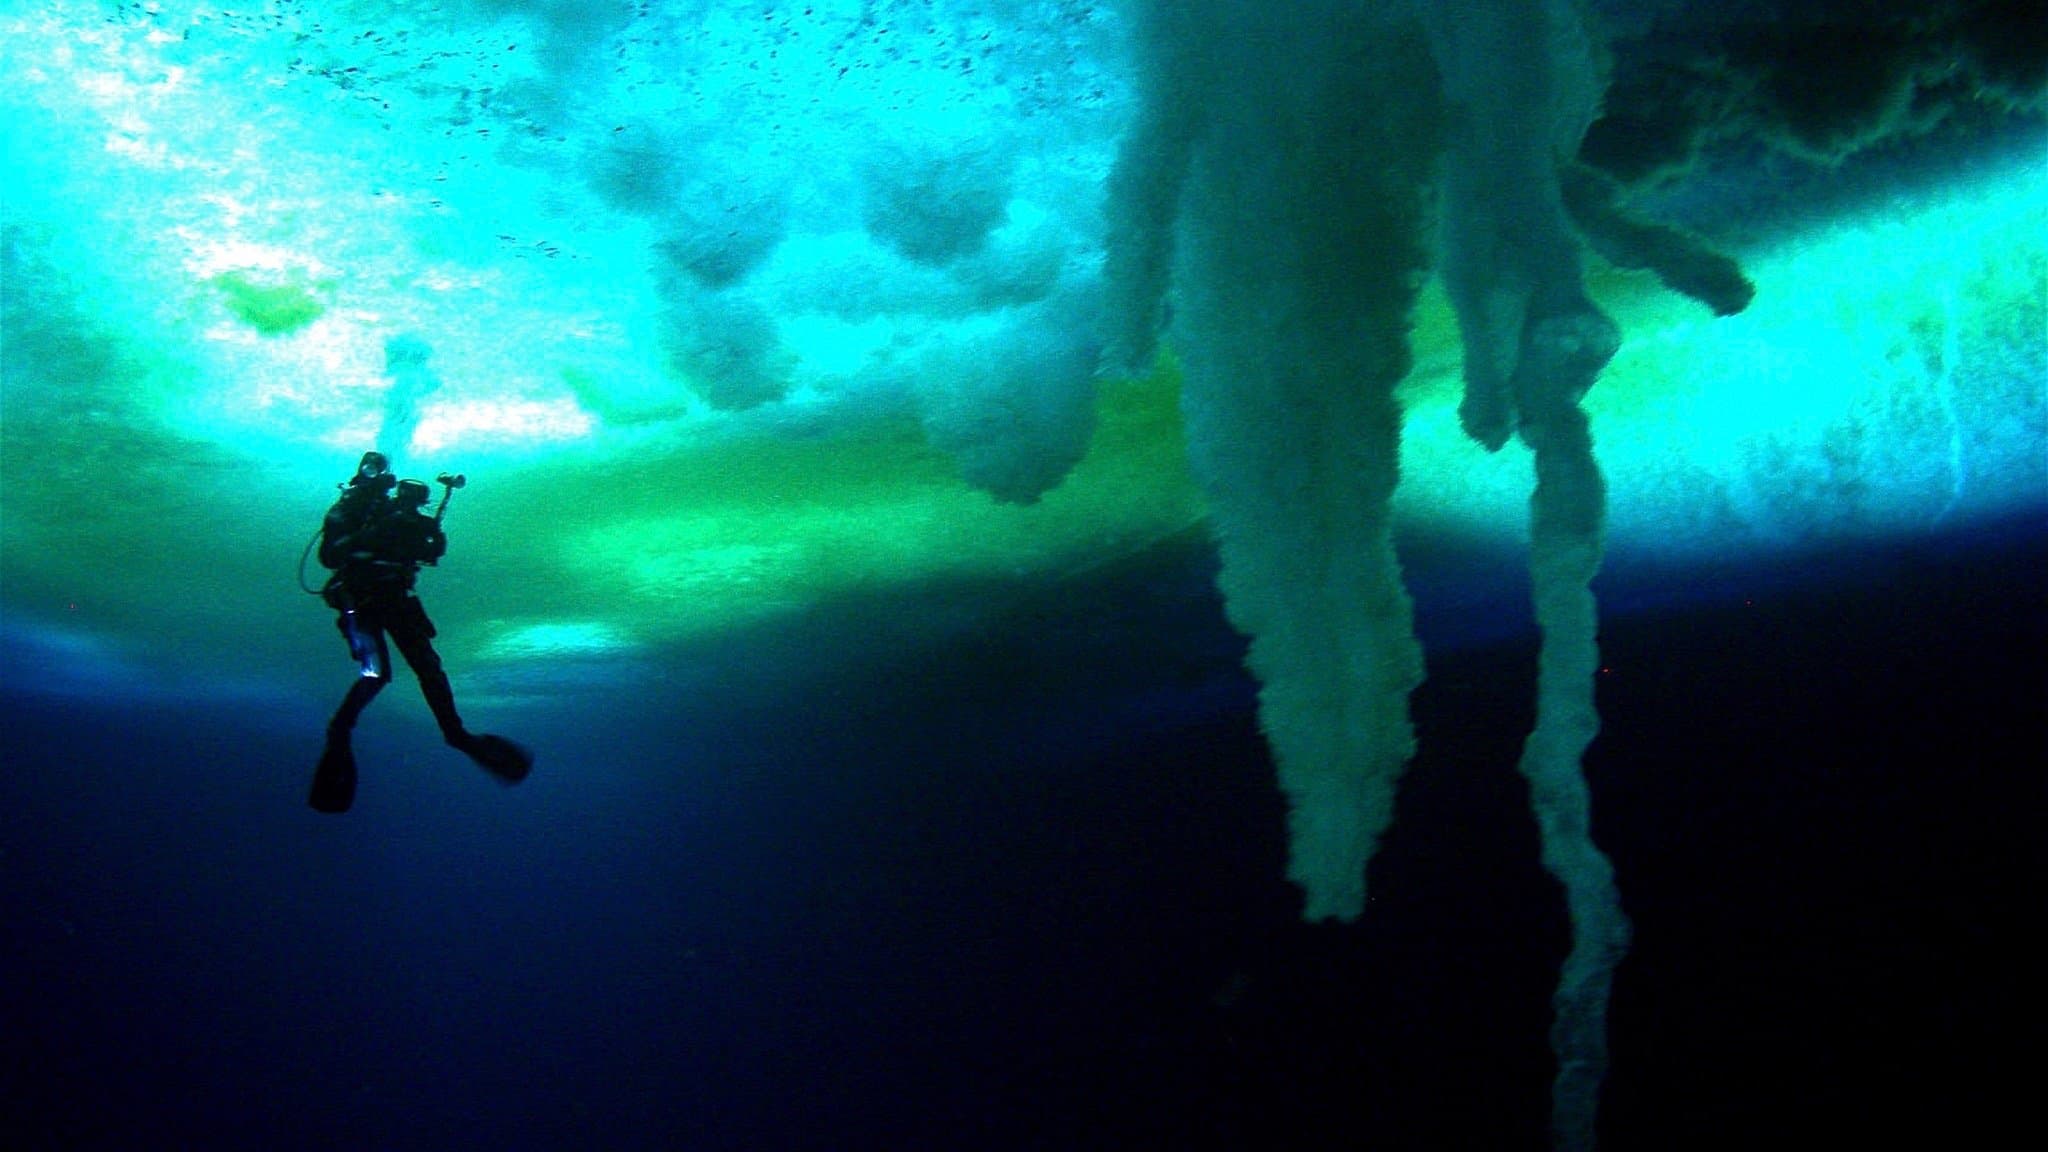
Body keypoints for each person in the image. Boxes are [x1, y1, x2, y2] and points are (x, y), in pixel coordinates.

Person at [310, 451, 531, 813]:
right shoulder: (348, 510)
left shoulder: (399, 516)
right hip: (358, 599)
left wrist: (428, 533)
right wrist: (373, 533)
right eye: (371, 469)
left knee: (427, 666)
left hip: (396, 598)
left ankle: (456, 734)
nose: (377, 478)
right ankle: (340, 730)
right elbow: (329, 558)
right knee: (376, 674)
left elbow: (430, 554)